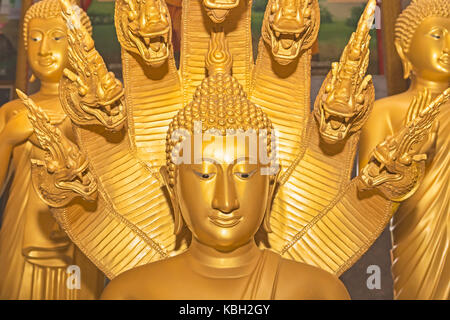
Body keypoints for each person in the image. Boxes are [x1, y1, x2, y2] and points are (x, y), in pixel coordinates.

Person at [0, 0, 103, 299]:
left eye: (57, 37)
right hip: (21, 229)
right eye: (34, 38)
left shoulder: (94, 113)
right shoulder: (10, 112)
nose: (44, 49)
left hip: (79, 232)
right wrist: (7, 139)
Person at [359, 0, 449, 299]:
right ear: (403, 50)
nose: (448, 44)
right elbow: (365, 201)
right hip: (420, 236)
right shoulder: (384, 113)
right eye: (437, 35)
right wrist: (401, 168)